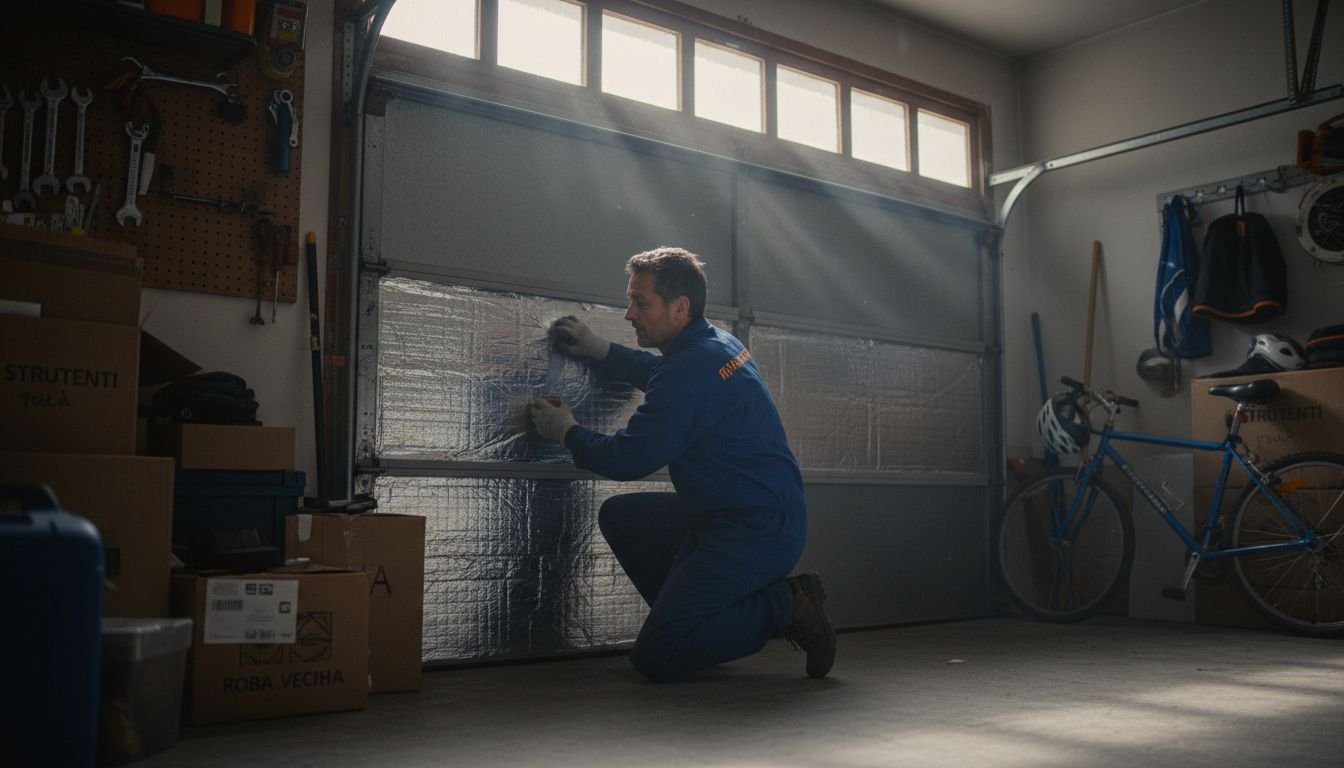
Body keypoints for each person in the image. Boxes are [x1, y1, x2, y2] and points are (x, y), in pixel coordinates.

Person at [527, 246, 836, 681]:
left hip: (757, 530)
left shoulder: (691, 367)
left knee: (657, 656)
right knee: (622, 517)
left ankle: (789, 603)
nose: (630, 314)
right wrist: (602, 350)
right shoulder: (714, 343)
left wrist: (566, 431)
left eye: (641, 303)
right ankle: (698, 627)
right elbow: (662, 374)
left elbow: (628, 458)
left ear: (680, 307)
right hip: (737, 512)